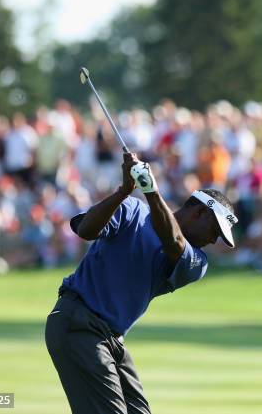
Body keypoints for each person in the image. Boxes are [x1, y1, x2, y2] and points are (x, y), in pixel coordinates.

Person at [45, 152, 237, 414]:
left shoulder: (197, 262)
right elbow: (85, 230)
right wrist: (123, 191)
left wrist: (151, 191)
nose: (214, 241)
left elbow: (174, 242)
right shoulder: (132, 210)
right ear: (200, 212)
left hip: (110, 338)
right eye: (215, 231)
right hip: (77, 322)